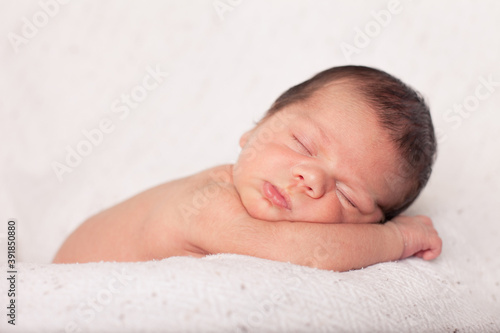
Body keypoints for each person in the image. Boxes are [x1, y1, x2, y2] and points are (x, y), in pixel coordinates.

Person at [53, 65, 442, 271]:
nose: (310, 178)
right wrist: (398, 240)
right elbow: (309, 254)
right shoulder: (209, 204)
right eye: (302, 144)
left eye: (346, 194)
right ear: (256, 129)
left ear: (364, 226)